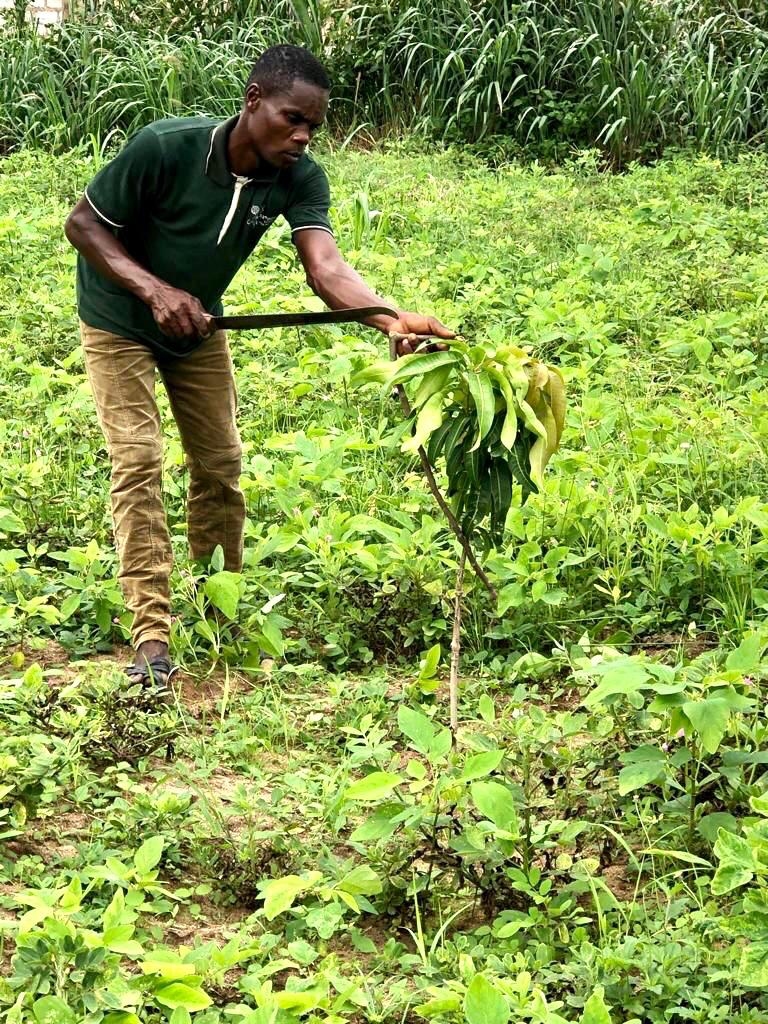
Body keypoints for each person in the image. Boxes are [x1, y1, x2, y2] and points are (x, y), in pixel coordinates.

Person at [64, 44, 453, 688]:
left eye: (313, 126)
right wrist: (155, 292)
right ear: (253, 102)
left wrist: (390, 317)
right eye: (291, 119)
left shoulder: (298, 176)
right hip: (118, 320)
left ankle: (218, 605)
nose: (301, 136)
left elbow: (324, 267)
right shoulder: (167, 147)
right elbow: (84, 225)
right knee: (138, 460)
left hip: (199, 327)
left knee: (220, 462)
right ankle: (152, 637)